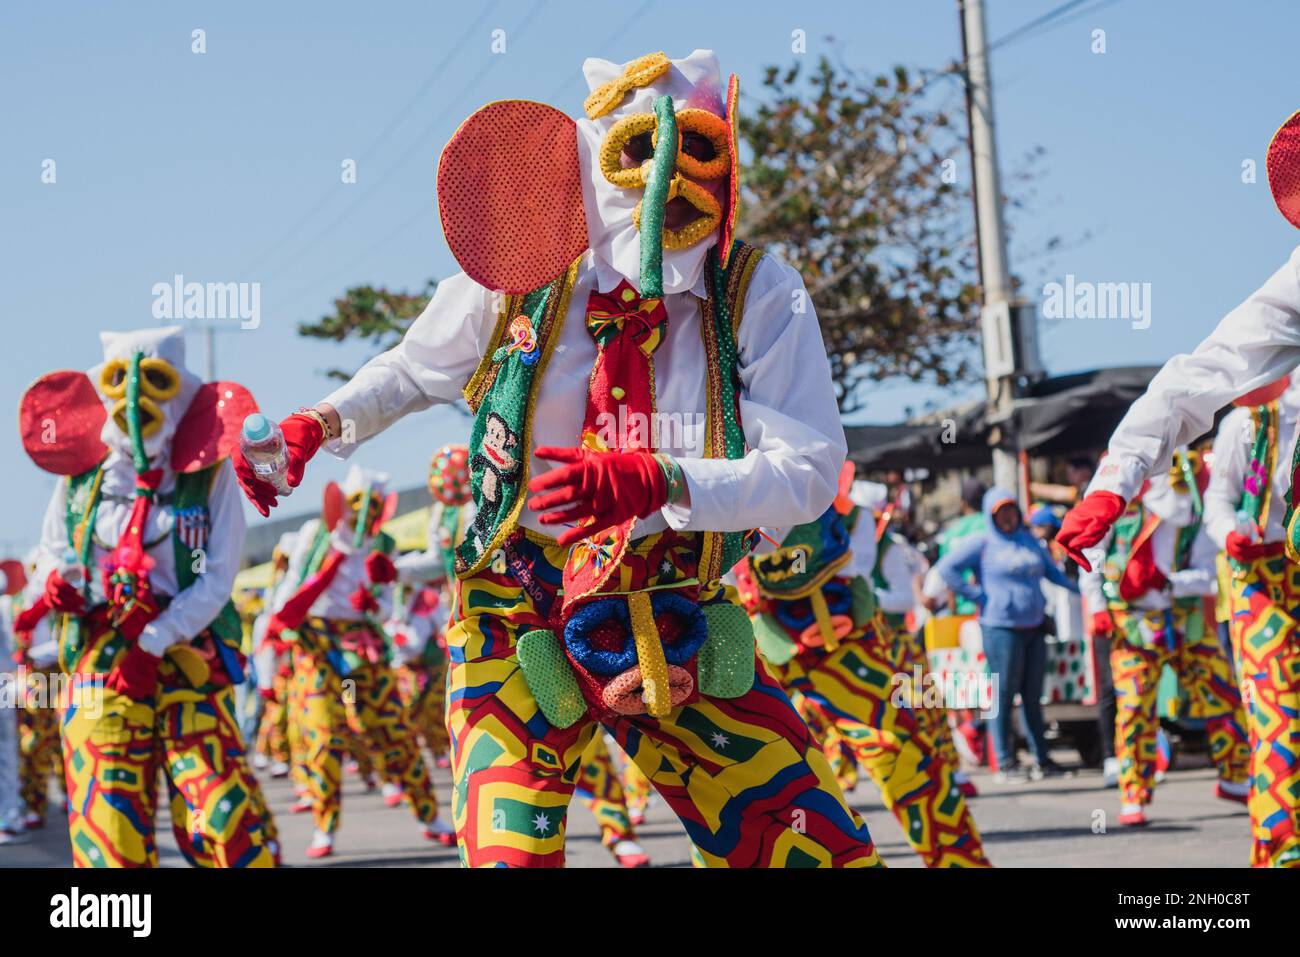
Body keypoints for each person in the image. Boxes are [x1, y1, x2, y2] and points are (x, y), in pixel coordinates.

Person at [231, 49, 882, 868]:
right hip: (520, 609)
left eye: (696, 154)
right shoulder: (521, 272)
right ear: (596, 152)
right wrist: (318, 426)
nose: (668, 181)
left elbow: (814, 468)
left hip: (677, 613)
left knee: (813, 852)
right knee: (511, 858)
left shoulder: (759, 291)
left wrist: (664, 481)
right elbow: (412, 368)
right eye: (643, 151)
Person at [19, 326, 278, 867]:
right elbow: (54, 549)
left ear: (180, 393)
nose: (134, 399)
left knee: (221, 815)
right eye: (119, 382)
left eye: (154, 382)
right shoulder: (84, 475)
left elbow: (218, 577)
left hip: (189, 654)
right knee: (106, 822)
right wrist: (58, 581)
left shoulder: (208, 475)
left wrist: (155, 642)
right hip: (102, 656)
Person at [744, 483, 990, 867]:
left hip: (849, 640)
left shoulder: (854, 516)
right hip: (754, 634)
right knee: (740, 775)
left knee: (898, 748)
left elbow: (858, 568)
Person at [264, 466, 455, 859]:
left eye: (372, 508)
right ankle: (324, 826)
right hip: (317, 647)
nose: (364, 514)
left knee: (392, 729)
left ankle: (429, 816)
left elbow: (391, 599)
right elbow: (290, 589)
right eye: (357, 505)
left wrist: (375, 606)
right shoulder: (316, 536)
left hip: (363, 646)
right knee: (322, 735)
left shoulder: (384, 543)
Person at [1082, 462, 1249, 827]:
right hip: (1133, 623)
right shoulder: (1122, 503)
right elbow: (1090, 553)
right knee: (1135, 709)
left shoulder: (1196, 516)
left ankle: (1235, 776)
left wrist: (1171, 583)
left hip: (1184, 618)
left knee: (1223, 692)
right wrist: (1096, 606)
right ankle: (1133, 793)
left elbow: (1206, 575)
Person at [1201, 375, 1300, 864]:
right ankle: (1284, 853)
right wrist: (1228, 535)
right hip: (1263, 579)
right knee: (1277, 721)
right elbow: (1216, 502)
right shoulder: (1246, 424)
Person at [935, 488, 1079, 782]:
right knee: (1002, 695)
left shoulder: (1029, 541)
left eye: (1011, 510)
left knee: (1032, 696)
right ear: (991, 515)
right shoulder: (983, 543)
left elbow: (1053, 574)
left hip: (1034, 627)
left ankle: (1042, 759)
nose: (1008, 517)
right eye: (1001, 512)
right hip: (1000, 628)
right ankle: (1005, 762)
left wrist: (1088, 589)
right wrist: (978, 595)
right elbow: (947, 568)